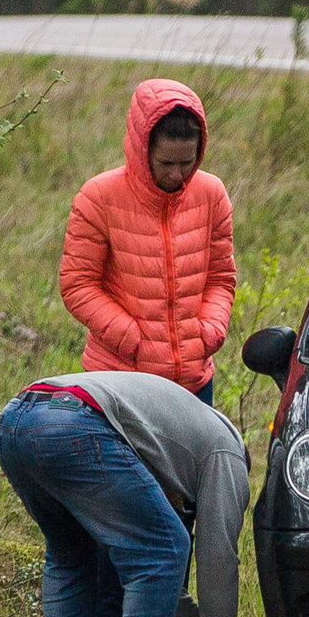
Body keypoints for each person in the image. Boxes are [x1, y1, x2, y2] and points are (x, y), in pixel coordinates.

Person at [0, 370, 249, 617]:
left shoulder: (171, 430)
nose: (180, 503)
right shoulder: (226, 455)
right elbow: (218, 555)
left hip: (16, 419)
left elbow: (142, 564)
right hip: (75, 422)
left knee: (71, 553)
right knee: (165, 547)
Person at [60, 80, 237, 406]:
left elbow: (221, 279)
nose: (178, 175)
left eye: (188, 162)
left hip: (194, 381)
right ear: (143, 151)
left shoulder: (211, 194)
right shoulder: (98, 197)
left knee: (194, 460)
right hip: (120, 380)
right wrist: (131, 338)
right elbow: (78, 285)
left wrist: (208, 332)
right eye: (166, 164)